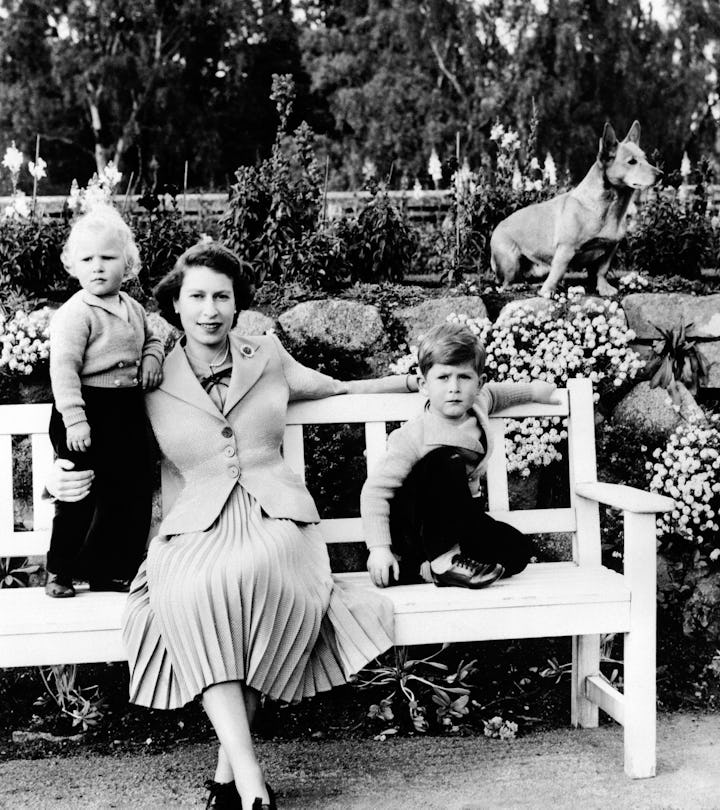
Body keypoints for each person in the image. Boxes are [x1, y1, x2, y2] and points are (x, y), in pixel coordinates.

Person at [48, 241, 417, 810]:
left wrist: (410, 386)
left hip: (275, 516)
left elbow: (332, 387)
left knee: (255, 576)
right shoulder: (149, 375)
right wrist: (57, 476)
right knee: (201, 590)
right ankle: (247, 783)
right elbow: (98, 434)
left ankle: (234, 778)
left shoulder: (265, 353)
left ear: (238, 303)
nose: (209, 309)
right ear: (175, 304)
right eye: (196, 296)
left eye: (222, 296)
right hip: (195, 524)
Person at [361, 321, 558, 590]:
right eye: (443, 378)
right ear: (423, 384)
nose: (454, 387)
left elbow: (497, 394)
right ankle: (443, 561)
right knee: (446, 461)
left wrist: (534, 391)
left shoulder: (477, 405)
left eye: (464, 377)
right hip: (415, 524)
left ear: (478, 383)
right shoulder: (414, 435)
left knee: (516, 551)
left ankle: (424, 570)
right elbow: (375, 491)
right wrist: (379, 548)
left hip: (457, 518)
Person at [45, 204, 164, 598]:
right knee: (80, 490)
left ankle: (109, 569)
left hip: (125, 410)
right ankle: (59, 569)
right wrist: (76, 420)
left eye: (108, 258)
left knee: (127, 492)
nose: (98, 266)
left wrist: (151, 357)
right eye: (87, 259)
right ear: (73, 266)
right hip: (84, 409)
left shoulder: (132, 307)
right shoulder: (75, 313)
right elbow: (62, 369)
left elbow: (153, 339)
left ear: (127, 264)